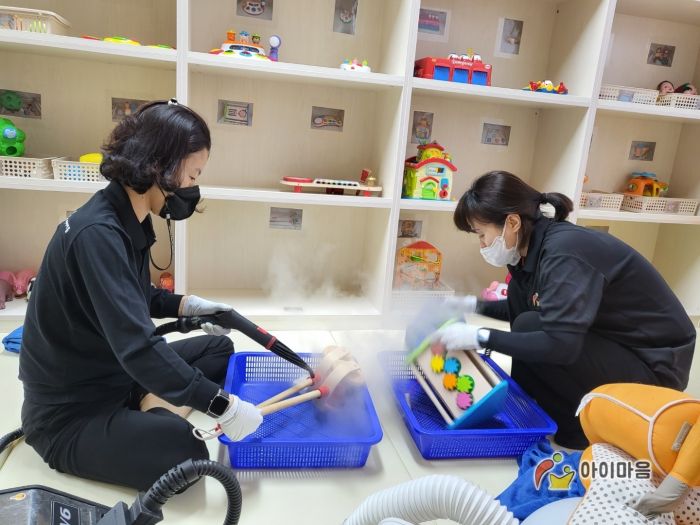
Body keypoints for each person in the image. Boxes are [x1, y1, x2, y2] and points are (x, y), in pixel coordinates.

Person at [19, 100, 263, 490]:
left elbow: (136, 294)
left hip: (116, 375)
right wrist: (224, 407)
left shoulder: (126, 217)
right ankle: (148, 407)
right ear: (159, 166)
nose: (192, 188)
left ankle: (148, 402)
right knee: (189, 456)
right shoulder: (97, 234)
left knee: (219, 350)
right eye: (193, 174)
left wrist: (188, 305)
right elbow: (137, 346)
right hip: (70, 414)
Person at [429, 171, 695, 449]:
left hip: (654, 367)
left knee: (532, 327)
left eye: (481, 234)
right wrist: (471, 305)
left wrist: (481, 336)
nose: (482, 244)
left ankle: (580, 427)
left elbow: (561, 345)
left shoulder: (564, 253)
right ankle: (534, 407)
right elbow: (526, 305)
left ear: (512, 222)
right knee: (523, 309)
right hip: (612, 342)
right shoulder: (529, 252)